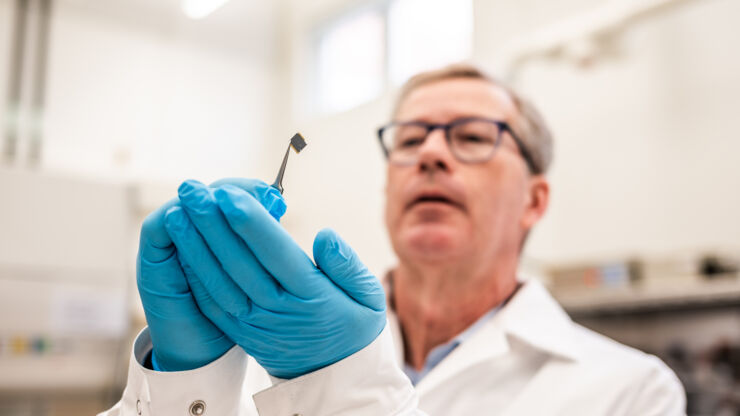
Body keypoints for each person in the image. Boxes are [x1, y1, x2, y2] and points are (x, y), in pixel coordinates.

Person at [100, 64, 686, 416]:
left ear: (534, 200)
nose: (430, 154)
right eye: (410, 140)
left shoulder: (629, 391)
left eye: (473, 137)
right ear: (389, 184)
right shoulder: (259, 351)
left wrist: (339, 381)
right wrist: (189, 380)